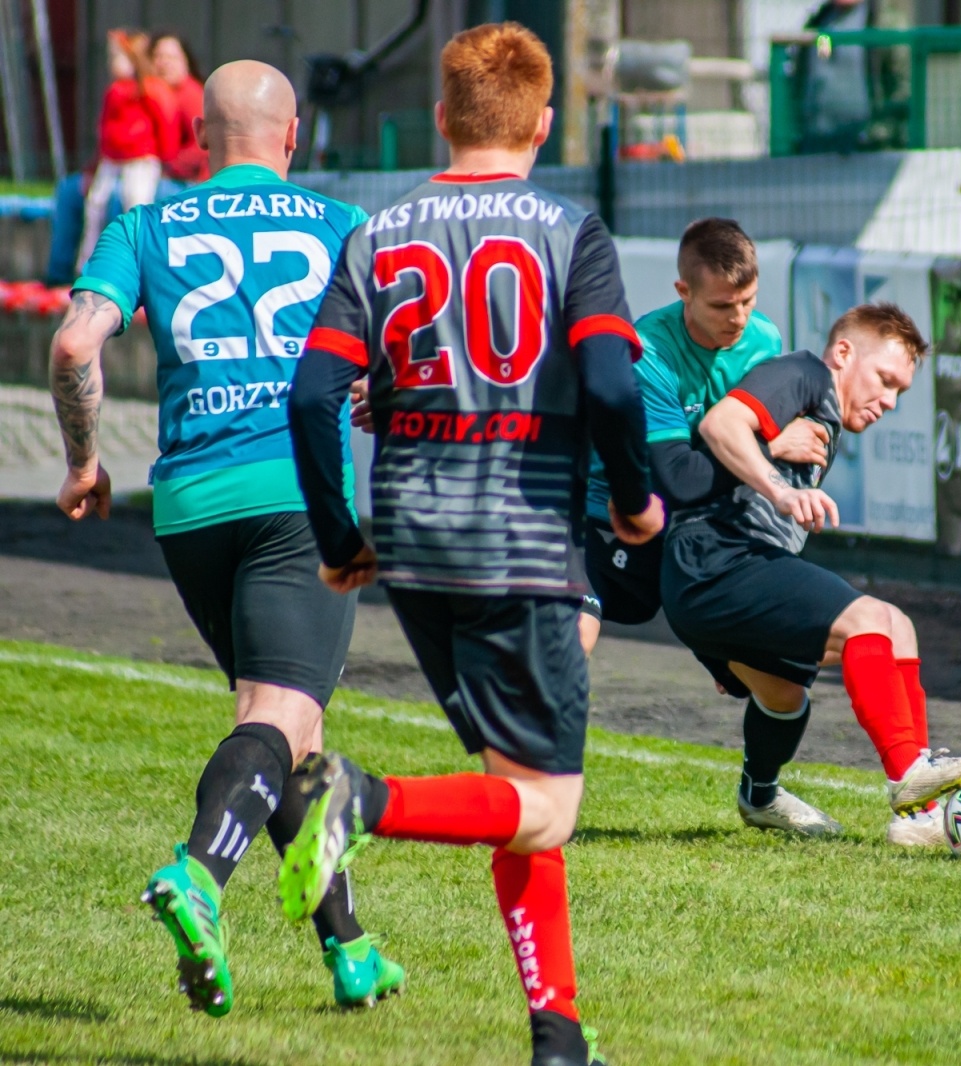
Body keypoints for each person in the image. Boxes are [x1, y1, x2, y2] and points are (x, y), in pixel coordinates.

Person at [280, 22, 661, 1065]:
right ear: (544, 123)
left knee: (510, 784)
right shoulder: (570, 233)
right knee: (546, 810)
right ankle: (357, 798)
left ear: (443, 118)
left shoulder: (377, 233)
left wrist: (340, 535)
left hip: (410, 538)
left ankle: (558, 1031)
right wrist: (633, 503)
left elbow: (314, 393)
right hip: (521, 538)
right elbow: (615, 382)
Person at [52, 60, 403, 1017]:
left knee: (289, 729)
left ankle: (353, 952)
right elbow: (399, 357)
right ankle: (199, 878)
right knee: (280, 718)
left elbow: (75, 344)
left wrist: (85, 462)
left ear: (201, 140)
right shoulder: (338, 228)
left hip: (192, 508)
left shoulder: (145, 223)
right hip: (297, 498)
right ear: (294, 139)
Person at [660, 304, 961, 848]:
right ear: (843, 354)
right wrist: (782, 487)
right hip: (716, 557)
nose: (889, 400)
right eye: (885, 380)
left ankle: (774, 796)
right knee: (865, 619)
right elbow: (720, 423)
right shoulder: (806, 373)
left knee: (827, 669)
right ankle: (908, 775)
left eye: (900, 392)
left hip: (713, 574)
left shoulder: (825, 417)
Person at [577, 217, 845, 837]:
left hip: (691, 536)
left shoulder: (765, 339)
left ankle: (761, 795)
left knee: (782, 689)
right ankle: (521, 789)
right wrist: (773, 450)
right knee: (573, 641)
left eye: (749, 301)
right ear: (682, 293)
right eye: (723, 305)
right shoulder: (648, 353)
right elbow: (677, 476)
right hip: (606, 521)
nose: (739, 318)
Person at [78, 30, 178, 271]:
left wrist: (166, 160)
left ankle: (139, 261)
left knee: (135, 204)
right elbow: (104, 129)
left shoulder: (149, 89)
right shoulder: (114, 91)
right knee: (95, 204)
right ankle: (87, 262)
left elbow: (166, 124)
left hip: (141, 159)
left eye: (118, 57)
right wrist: (94, 166)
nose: (112, 64)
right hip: (114, 159)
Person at [793, 0, 910, 154]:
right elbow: (821, 62)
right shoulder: (822, 21)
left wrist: (882, 131)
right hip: (819, 143)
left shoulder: (886, 21)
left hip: (869, 149)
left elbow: (903, 86)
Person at [152, 32, 210, 184]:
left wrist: (167, 169)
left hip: (187, 181)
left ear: (186, 61)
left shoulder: (190, 94)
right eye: (158, 57)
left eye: (171, 57)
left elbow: (201, 147)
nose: (164, 63)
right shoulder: (153, 93)